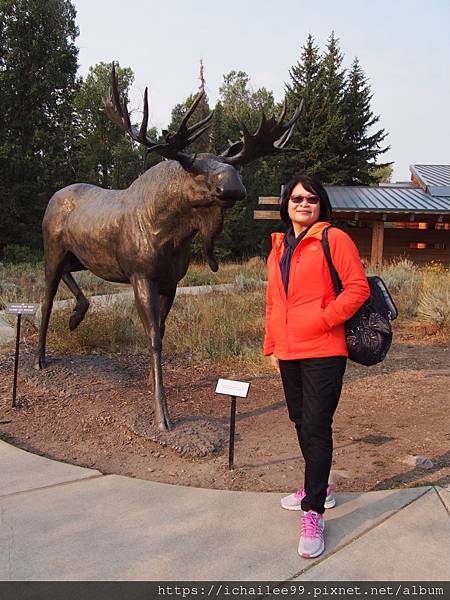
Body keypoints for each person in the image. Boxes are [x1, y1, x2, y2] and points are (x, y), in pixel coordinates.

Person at [263, 174, 370, 558]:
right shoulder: (277, 248)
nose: (303, 204)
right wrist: (272, 345)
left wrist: (324, 319)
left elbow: (358, 288)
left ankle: (313, 511)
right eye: (296, 199)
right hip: (289, 352)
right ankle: (318, 486)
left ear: (320, 205)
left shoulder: (333, 238)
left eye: (310, 198)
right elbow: (274, 301)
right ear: (286, 205)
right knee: (299, 420)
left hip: (325, 349)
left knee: (316, 426)